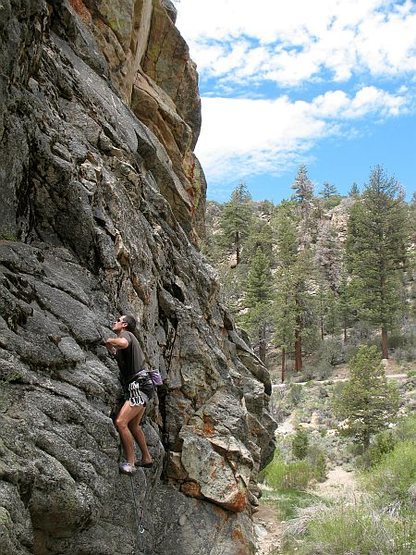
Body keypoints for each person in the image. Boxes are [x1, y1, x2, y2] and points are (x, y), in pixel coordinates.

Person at [105, 315, 154, 474]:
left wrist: (110, 340)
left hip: (138, 386)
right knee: (133, 425)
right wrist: (110, 347)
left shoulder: (126, 335)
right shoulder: (125, 345)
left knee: (121, 422)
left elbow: (122, 343)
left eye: (118, 320)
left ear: (124, 324)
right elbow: (118, 354)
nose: (115, 322)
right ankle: (146, 458)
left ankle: (130, 463)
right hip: (142, 386)